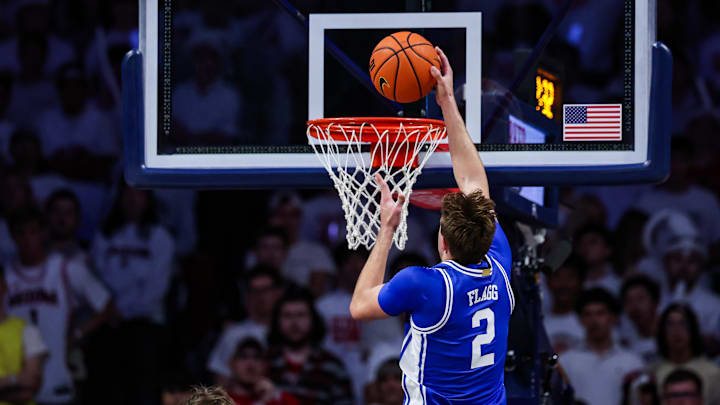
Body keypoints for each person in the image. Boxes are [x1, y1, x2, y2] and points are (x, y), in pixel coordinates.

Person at [348, 47, 514, 404]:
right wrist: (447, 101)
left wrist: (386, 229)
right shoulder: (499, 265)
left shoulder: (424, 284)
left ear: (443, 244)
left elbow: (360, 306)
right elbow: (473, 180)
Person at [3, 208, 113, 405]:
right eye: (21, 233)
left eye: (33, 231)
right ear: (12, 235)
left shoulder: (65, 268)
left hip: (58, 381)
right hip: (17, 388)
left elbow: (107, 306)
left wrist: (77, 334)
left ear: (43, 233)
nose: (28, 239)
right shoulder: (6, 277)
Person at [266, 288, 353, 405]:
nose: (294, 322)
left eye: (301, 315)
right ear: (277, 321)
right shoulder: (264, 364)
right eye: (287, 316)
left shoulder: (332, 367)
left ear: (313, 319)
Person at [559, 288, 645, 405]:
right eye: (587, 314)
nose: (594, 321)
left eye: (600, 313)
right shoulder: (566, 362)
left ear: (614, 318)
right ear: (581, 320)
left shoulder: (631, 361)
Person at [208, 267, 283, 382]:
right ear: (248, 296)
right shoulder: (234, 334)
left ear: (278, 293)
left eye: (266, 290)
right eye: (255, 291)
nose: (260, 296)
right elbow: (221, 380)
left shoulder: (291, 331)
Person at [651, 304, 720, 404]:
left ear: (692, 329)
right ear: (663, 331)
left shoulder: (713, 373)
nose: (676, 331)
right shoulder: (653, 373)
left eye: (683, 323)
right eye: (670, 324)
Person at [0, 264, 48, 405]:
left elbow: (29, 389)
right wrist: (16, 378)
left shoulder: (27, 329)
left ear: (4, 287)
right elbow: (24, 381)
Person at [225, 337, 299, 405]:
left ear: (265, 365)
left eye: (257, 357)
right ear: (231, 364)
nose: (251, 364)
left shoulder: (282, 399)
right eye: (243, 357)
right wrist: (263, 401)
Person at [543, 255, 586, 354]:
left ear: (581, 282)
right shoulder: (538, 322)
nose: (564, 284)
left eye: (570, 277)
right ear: (547, 282)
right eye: (557, 276)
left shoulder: (590, 321)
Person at [620, 275, 661, 363]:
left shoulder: (672, 334)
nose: (635, 307)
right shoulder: (625, 343)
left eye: (640, 299)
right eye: (629, 301)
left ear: (655, 302)